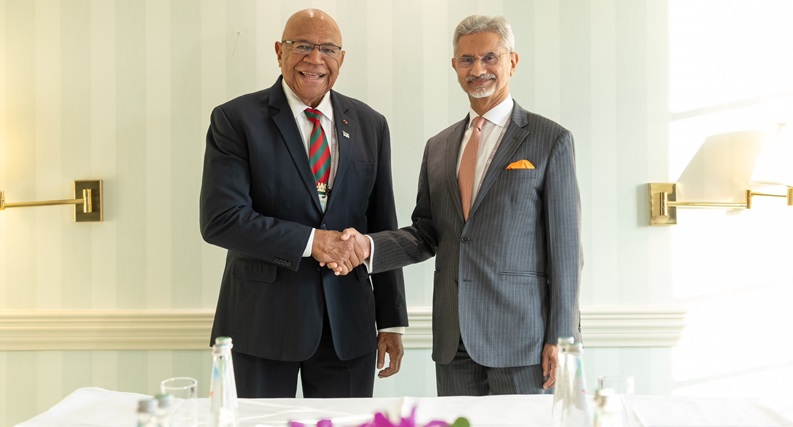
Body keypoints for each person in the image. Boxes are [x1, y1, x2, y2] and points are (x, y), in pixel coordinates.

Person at [334, 14, 583, 396]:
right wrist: (366, 247)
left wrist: (563, 337)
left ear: (512, 62)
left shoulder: (550, 140)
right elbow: (425, 234)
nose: (478, 69)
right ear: (454, 66)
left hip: (524, 343)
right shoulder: (439, 147)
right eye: (467, 60)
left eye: (490, 58)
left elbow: (566, 251)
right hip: (454, 343)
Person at [199, 8, 408, 398]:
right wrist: (315, 242)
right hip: (260, 324)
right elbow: (221, 220)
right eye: (302, 46)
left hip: (349, 328)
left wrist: (391, 322)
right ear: (279, 51)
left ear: (341, 59)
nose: (315, 59)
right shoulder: (235, 119)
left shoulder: (370, 124)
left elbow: (382, 224)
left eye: (328, 49)